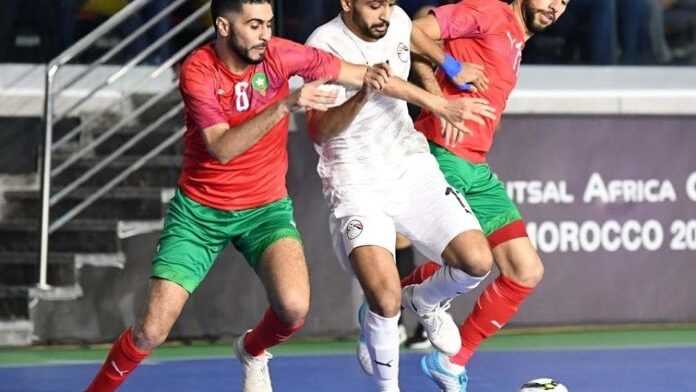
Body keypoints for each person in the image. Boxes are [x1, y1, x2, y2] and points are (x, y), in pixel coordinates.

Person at [82, 0, 436, 391]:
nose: (265, 34)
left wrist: (437, 100)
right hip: (200, 214)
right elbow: (221, 148)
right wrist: (285, 104)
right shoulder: (198, 71)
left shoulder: (282, 54)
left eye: (268, 23)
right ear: (222, 27)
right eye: (254, 25)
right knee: (150, 331)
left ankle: (252, 350)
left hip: (265, 210)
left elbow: (362, 74)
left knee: (294, 309)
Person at [305, 1, 499, 390]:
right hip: (355, 180)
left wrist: (451, 66)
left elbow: (411, 34)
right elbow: (318, 131)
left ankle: (425, 300)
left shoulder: (395, 19)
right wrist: (359, 95)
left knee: (477, 262)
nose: (385, 14)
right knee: (385, 300)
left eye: (390, 4)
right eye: (374, 5)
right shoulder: (323, 46)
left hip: (410, 167)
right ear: (347, 3)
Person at [400, 0, 570, 390]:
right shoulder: (489, 12)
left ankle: (450, 361)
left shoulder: (515, 40)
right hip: (440, 153)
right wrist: (442, 91)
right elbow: (411, 31)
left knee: (525, 271)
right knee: (467, 261)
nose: (555, 7)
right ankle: (393, 299)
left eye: (564, 2)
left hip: (476, 167)